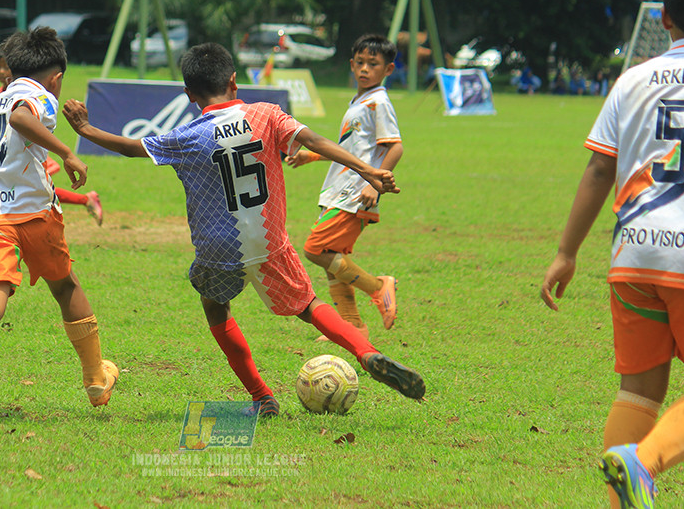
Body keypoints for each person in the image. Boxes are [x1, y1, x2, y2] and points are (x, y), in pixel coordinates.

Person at [63, 42, 425, 416]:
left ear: (189, 94)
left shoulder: (186, 136)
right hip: (269, 240)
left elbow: (130, 147)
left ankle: (261, 396)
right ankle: (366, 353)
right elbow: (313, 141)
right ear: (234, 81)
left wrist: (85, 127)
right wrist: (366, 170)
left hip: (218, 247)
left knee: (215, 307)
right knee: (310, 306)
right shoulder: (266, 114)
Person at [540, 0, 684, 509]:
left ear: (664, 18)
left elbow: (599, 167)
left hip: (634, 256)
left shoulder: (633, 78)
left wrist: (566, 253)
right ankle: (643, 462)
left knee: (638, 391)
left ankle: (624, 496)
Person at [0, 28, 117, 406]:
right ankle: (96, 378)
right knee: (65, 287)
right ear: (56, 77)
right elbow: (20, 119)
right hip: (33, 212)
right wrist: (67, 152)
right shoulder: (37, 95)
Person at [285, 34, 403, 340]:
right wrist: (311, 155)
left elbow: (395, 148)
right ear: (351, 64)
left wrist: (376, 186)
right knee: (331, 258)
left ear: (388, 69)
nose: (365, 69)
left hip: (355, 193)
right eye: (360, 63)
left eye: (373, 64)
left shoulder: (379, 102)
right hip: (338, 189)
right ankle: (352, 326)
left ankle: (379, 288)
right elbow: (351, 147)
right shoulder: (359, 101)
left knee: (315, 249)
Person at [0, 50, 104, 225]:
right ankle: (85, 199)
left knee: (35, 188)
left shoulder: (34, 93)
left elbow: (21, 119)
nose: (1, 72)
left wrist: (66, 153)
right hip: (14, 152)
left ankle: (81, 202)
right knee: (33, 188)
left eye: (5, 67)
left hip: (29, 150)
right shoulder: (2, 92)